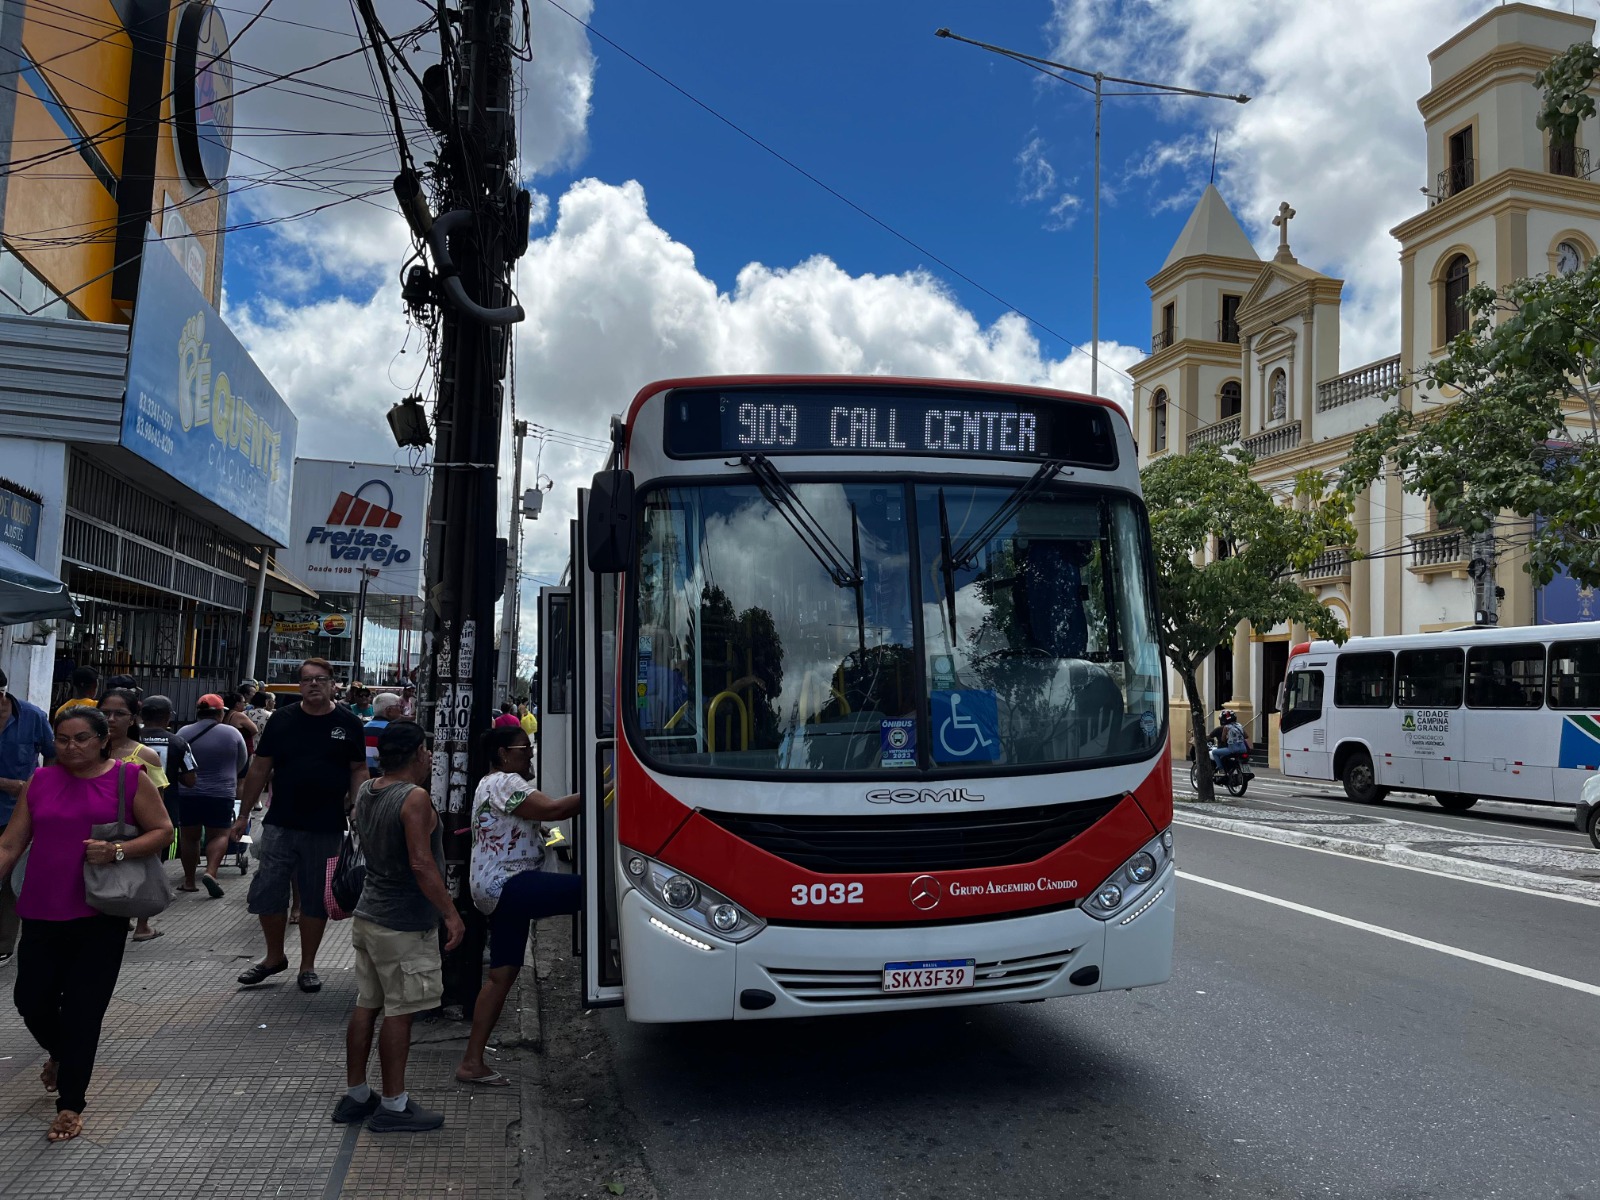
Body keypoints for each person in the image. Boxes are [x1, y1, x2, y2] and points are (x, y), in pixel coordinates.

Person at [0, 706, 172, 1142]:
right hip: (40, 911)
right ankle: (60, 1054)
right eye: (61, 739)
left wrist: (118, 852)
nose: (69, 747)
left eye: (80, 738)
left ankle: (70, 1105)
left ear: (102, 739)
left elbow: (163, 831)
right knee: (30, 1000)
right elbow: (10, 843)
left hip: (100, 914)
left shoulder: (129, 779)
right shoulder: (40, 782)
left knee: (82, 1012)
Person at [333, 721, 463, 1132]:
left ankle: (356, 1096)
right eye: (425, 752)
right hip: (403, 923)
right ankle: (393, 1105)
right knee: (400, 1012)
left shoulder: (368, 791)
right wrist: (450, 913)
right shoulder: (414, 797)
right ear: (419, 754)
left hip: (370, 914)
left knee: (367, 1004)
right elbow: (421, 863)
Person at [232, 658, 367, 993]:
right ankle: (273, 957)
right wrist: (244, 814)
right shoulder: (282, 721)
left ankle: (308, 966)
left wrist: (359, 812)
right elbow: (260, 768)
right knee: (267, 891)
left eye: (320, 679)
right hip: (281, 822)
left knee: (314, 898)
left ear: (334, 683)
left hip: (327, 825)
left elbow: (358, 770)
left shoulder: (349, 723)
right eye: (306, 680)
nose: (313, 685)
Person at [455, 725, 579, 1088]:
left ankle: (471, 1062)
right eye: (523, 748)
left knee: (502, 975)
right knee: (593, 891)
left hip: (492, 889)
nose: (530, 754)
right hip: (508, 883)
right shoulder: (506, 782)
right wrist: (610, 787)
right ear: (503, 755)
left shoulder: (485, 783)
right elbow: (555, 810)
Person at [99, 688, 171, 942]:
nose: (110, 719)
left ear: (132, 719)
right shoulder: (89, 750)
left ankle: (142, 923)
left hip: (133, 833)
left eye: (119, 713)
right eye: (104, 712)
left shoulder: (144, 755)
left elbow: (158, 808)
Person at [0, 667, 53, 965]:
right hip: (11, 796)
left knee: (10, 880)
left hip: (16, 814)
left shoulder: (32, 717)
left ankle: (4, 943)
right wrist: (7, 784)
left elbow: (53, 755)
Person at [176, 695, 250, 899]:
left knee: (189, 837)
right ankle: (211, 872)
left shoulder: (183, 732)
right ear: (221, 712)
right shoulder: (232, 733)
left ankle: (189, 881)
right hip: (221, 792)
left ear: (198, 712)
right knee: (219, 835)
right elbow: (243, 761)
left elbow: (179, 760)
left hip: (189, 792)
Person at [137, 695, 198, 843]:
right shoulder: (178, 742)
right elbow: (190, 780)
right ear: (168, 716)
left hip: (132, 804)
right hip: (166, 807)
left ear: (142, 716)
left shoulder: (130, 739)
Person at [363, 692, 404, 776]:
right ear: (389, 710)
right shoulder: (393, 730)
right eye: (398, 706)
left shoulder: (363, 728)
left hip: (364, 776)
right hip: (384, 777)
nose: (401, 709)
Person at [1208, 710, 1251, 776]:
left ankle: (1221, 769)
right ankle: (1246, 771)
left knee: (1214, 752)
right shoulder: (1239, 725)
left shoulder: (1226, 727)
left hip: (1233, 749)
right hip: (1243, 749)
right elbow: (1246, 736)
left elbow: (1223, 739)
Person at [222, 691, 260, 755]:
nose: (246, 704)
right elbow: (255, 730)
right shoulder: (239, 715)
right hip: (243, 750)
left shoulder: (226, 714)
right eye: (244, 702)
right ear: (237, 704)